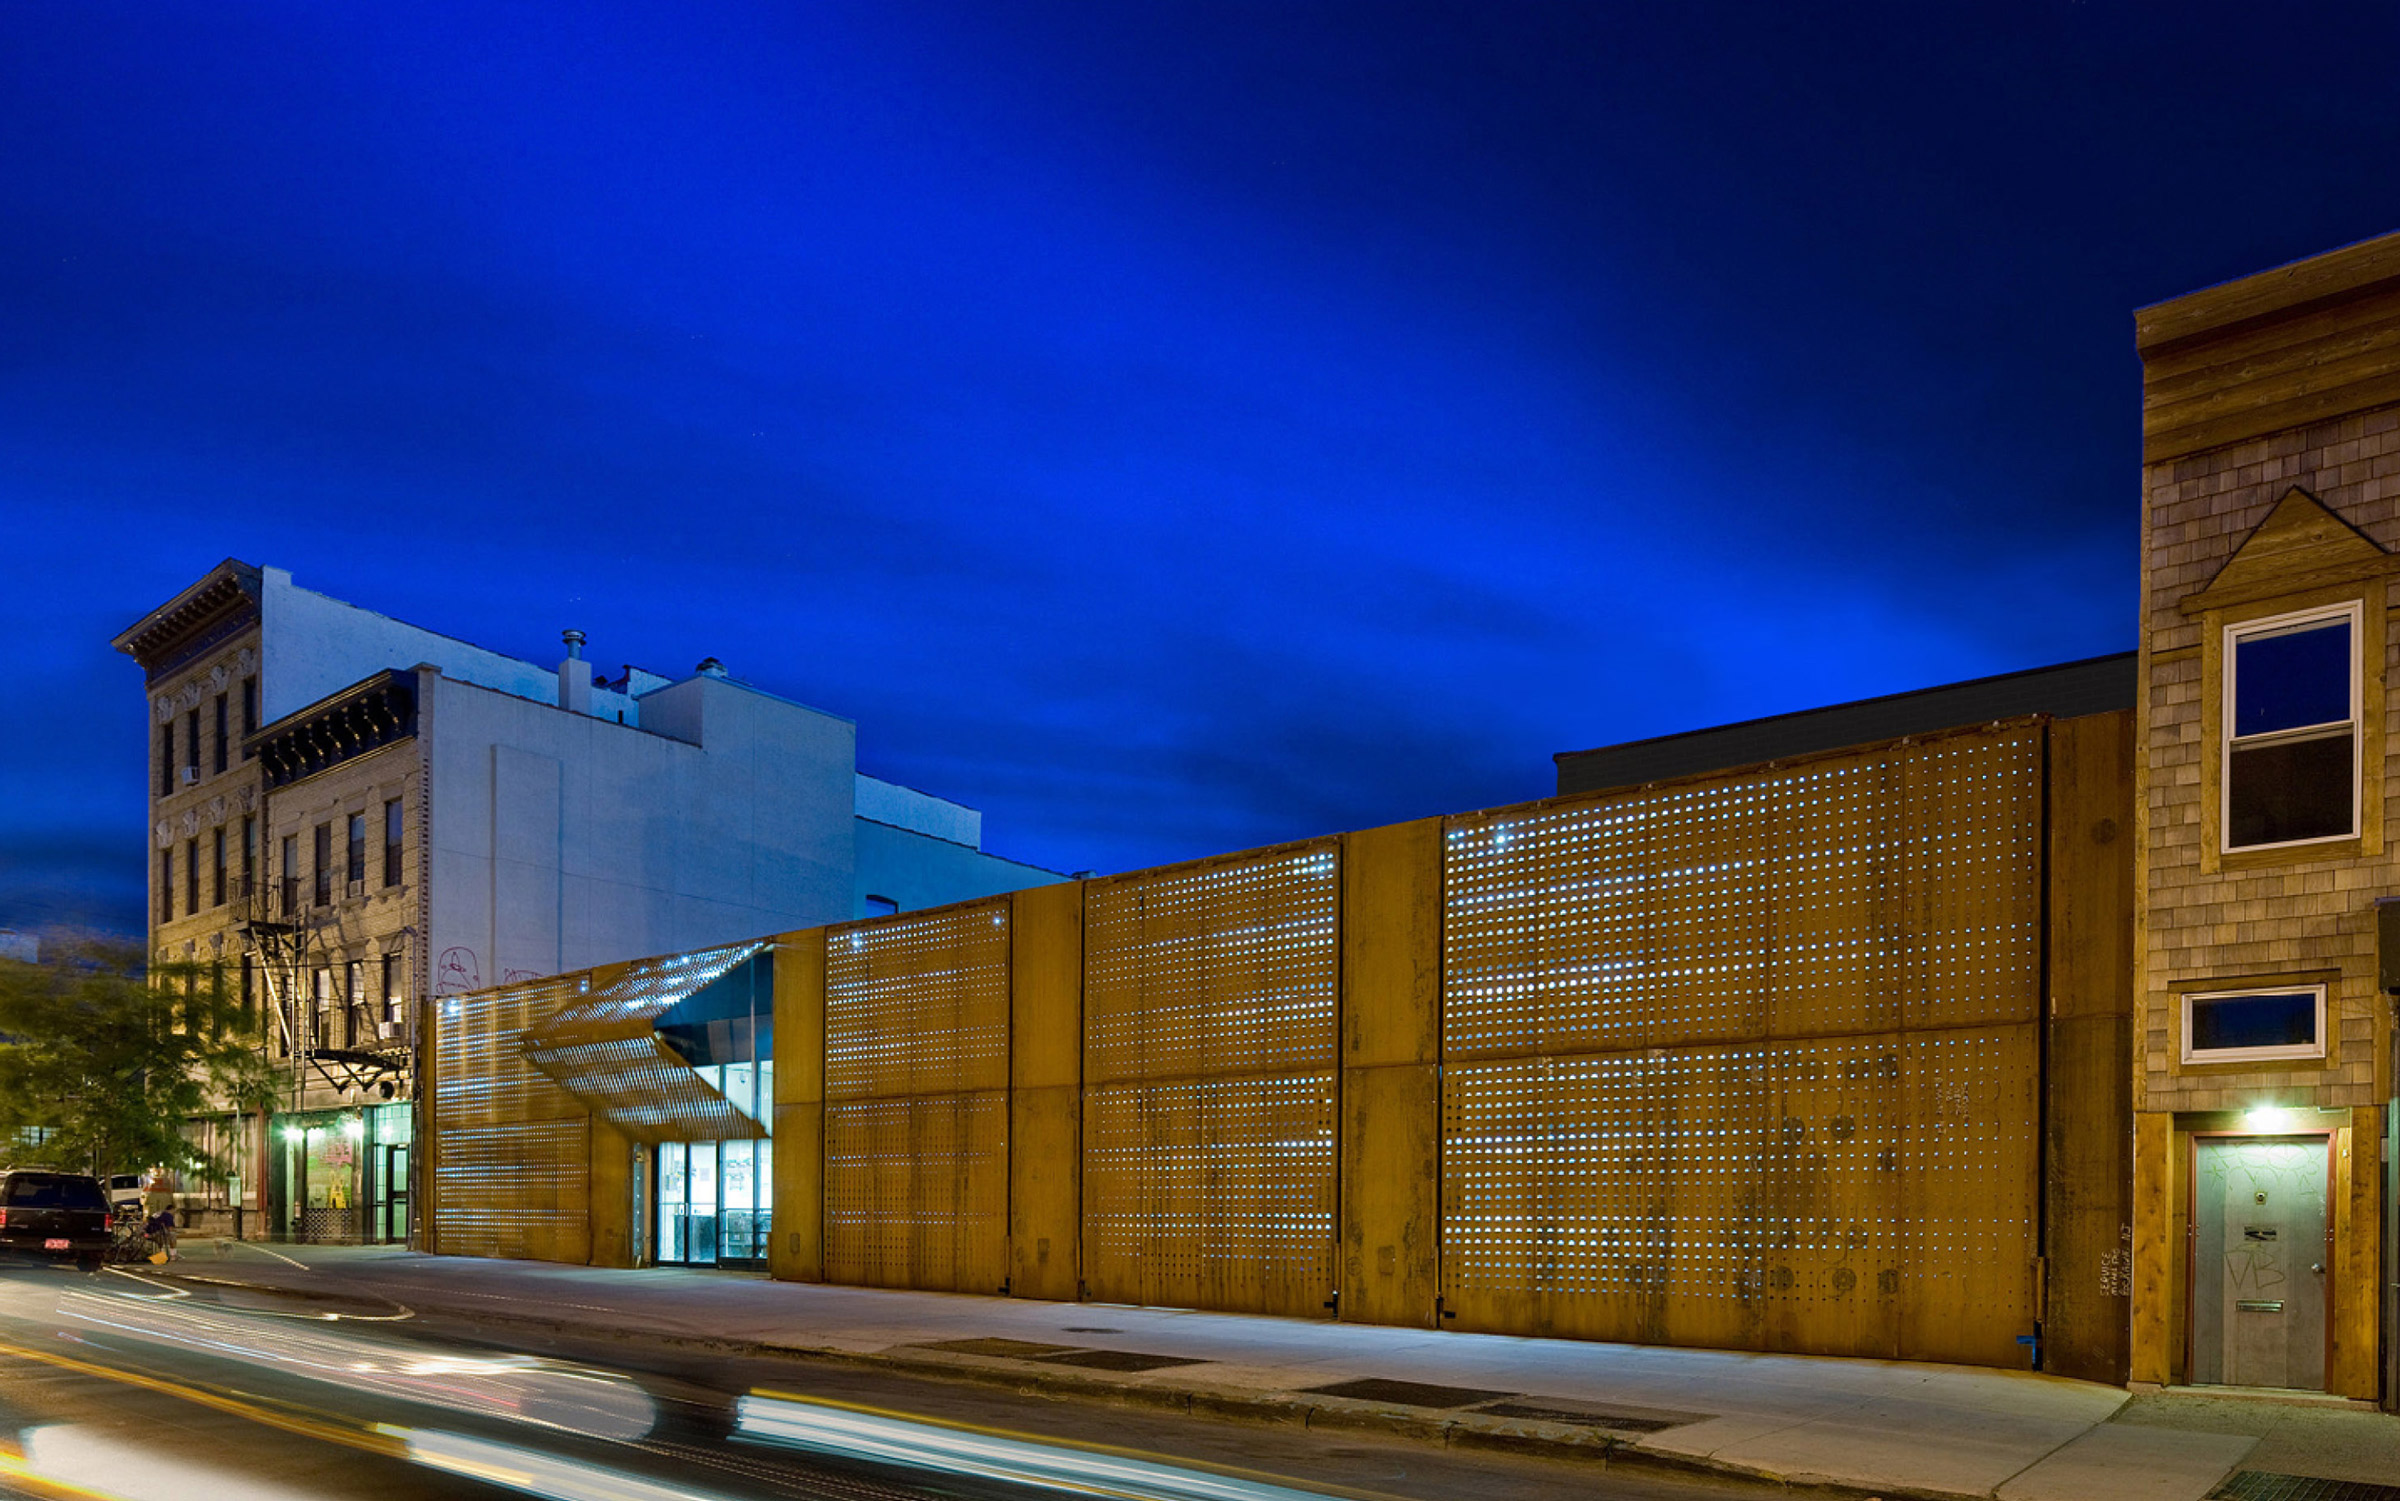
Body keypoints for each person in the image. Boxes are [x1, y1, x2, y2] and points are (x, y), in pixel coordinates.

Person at [141, 1167, 178, 1260]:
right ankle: (173, 1254)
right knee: (171, 1236)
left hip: (152, 1221)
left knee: (157, 1238)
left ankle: (160, 1253)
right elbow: (173, 1206)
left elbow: (144, 1205)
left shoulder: (149, 1195)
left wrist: (145, 1218)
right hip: (164, 1221)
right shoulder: (168, 1195)